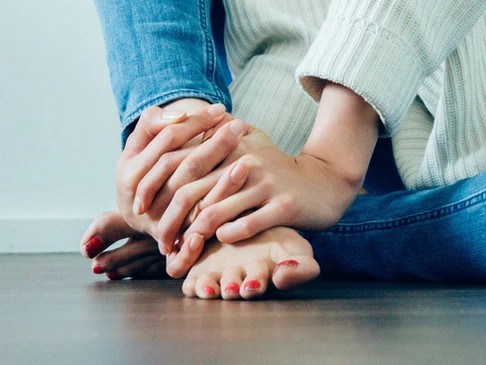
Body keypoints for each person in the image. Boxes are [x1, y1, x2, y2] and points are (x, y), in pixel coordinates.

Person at [82, 0, 486, 299]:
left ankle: (222, 214)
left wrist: (330, 165)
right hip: (282, 120)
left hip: (461, 135)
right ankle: (183, 153)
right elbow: (298, 30)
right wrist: (193, 155)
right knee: (191, 151)